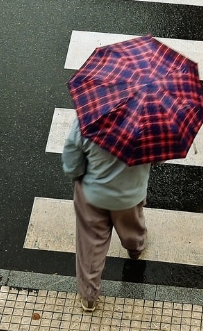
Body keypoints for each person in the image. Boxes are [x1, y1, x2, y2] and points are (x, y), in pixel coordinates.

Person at [62, 116, 151, 312]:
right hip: (129, 193)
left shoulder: (90, 116)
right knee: (132, 226)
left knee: (91, 243)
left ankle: (89, 296)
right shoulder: (149, 121)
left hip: (92, 193)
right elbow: (157, 157)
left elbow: (71, 153)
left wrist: (76, 174)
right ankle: (135, 249)